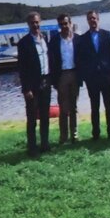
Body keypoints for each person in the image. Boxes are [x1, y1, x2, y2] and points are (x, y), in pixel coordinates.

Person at [76, 10, 110, 139]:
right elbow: (81, 60)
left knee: (109, 106)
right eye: (90, 19)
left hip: (107, 77)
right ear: (87, 21)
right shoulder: (83, 39)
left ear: (98, 19)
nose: (92, 20)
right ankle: (96, 133)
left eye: (94, 18)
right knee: (95, 107)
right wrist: (86, 77)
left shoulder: (106, 34)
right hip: (92, 78)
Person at [15, 12, 51, 155]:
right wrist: (26, 89)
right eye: (32, 23)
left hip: (45, 81)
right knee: (31, 118)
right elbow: (22, 68)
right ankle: (32, 147)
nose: (35, 25)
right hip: (32, 85)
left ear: (40, 22)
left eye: (37, 22)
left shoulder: (45, 39)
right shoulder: (23, 43)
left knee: (45, 116)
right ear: (28, 24)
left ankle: (45, 144)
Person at [49, 14, 80, 144]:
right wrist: (54, 80)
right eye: (61, 24)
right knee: (63, 108)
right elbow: (51, 61)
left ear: (70, 23)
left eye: (66, 23)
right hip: (61, 75)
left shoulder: (78, 39)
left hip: (75, 74)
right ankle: (63, 137)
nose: (64, 26)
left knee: (74, 107)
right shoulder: (55, 40)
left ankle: (74, 135)